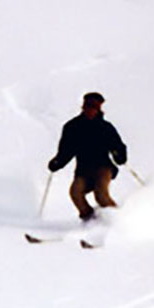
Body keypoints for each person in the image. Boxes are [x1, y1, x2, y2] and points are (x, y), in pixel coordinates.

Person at [47, 92, 128, 221]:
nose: (90, 111)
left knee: (101, 195)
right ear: (83, 107)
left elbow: (118, 146)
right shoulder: (72, 127)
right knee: (76, 193)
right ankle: (90, 220)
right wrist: (57, 162)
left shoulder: (105, 128)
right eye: (88, 107)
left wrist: (120, 156)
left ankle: (118, 220)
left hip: (103, 167)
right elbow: (66, 150)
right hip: (83, 169)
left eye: (94, 107)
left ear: (99, 109)